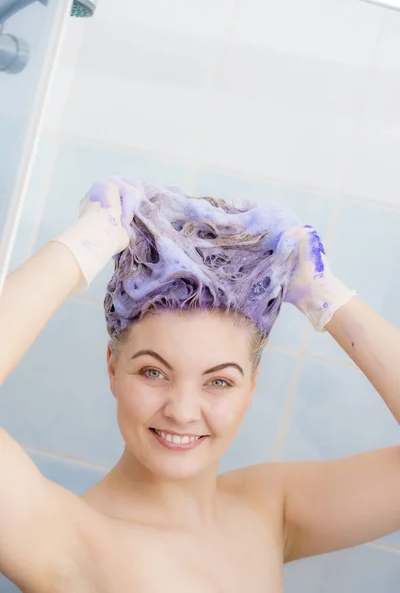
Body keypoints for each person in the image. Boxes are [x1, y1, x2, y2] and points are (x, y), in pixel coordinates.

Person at [0, 177, 399, 593]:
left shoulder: (269, 509)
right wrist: (87, 242)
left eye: (219, 381)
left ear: (252, 386)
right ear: (112, 368)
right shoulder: (67, 540)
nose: (183, 410)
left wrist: (327, 297)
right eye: (154, 372)